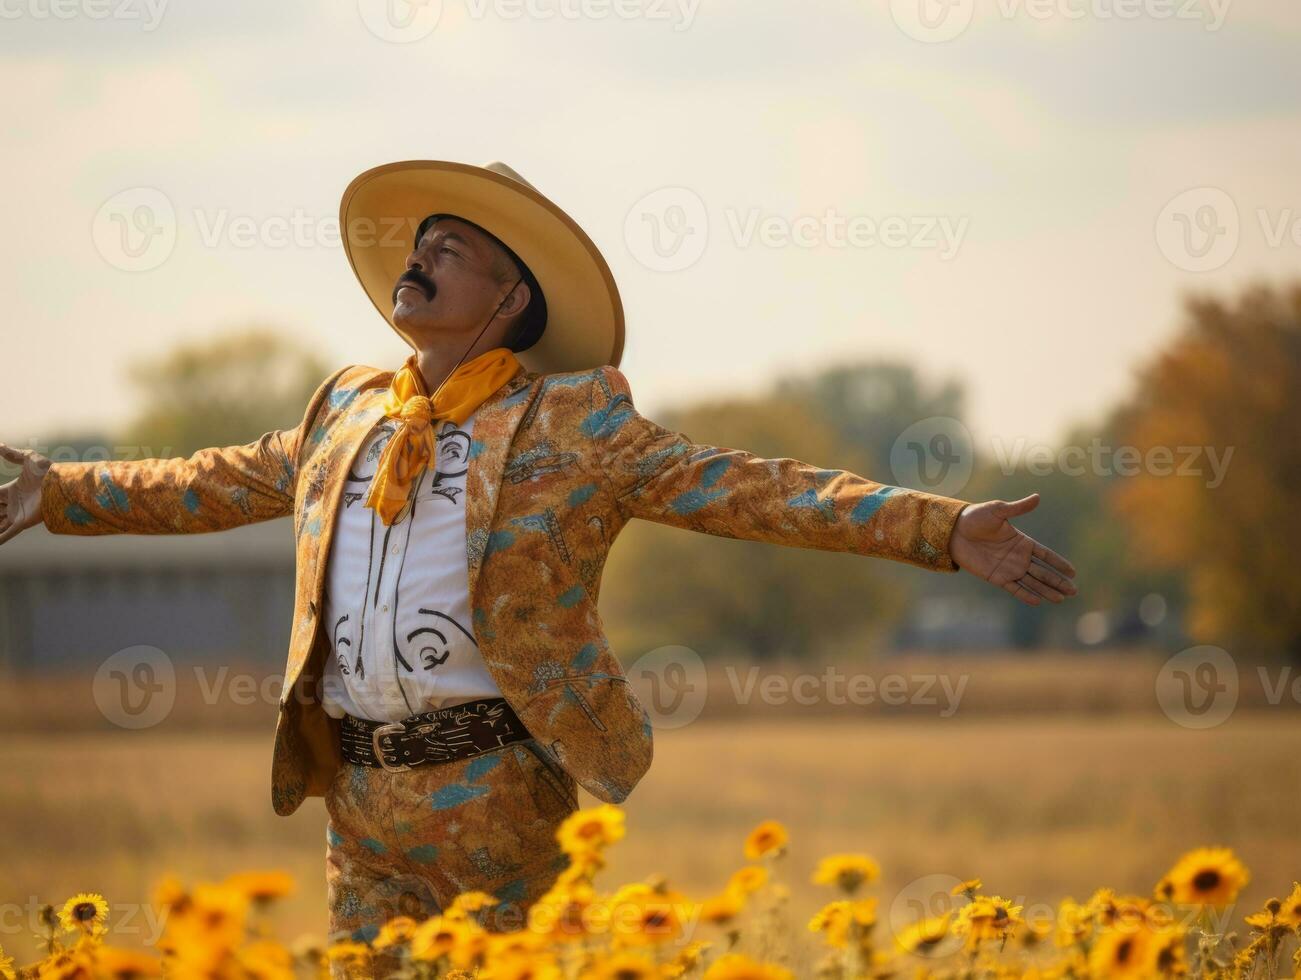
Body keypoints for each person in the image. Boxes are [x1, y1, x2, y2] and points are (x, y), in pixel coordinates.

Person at [0, 159, 1077, 957]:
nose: (416, 259)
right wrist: (59, 491)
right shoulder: (344, 412)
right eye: (416, 245)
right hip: (359, 801)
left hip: (501, 788)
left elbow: (754, 486)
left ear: (510, 301)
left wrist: (936, 526)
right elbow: (213, 479)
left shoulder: (572, 425)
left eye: (449, 250)